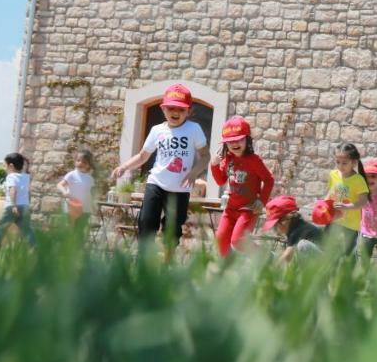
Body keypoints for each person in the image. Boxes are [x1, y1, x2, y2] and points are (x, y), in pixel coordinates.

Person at [110, 83, 208, 251]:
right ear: (163, 109)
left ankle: (166, 264)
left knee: (172, 231)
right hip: (156, 183)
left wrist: (194, 172)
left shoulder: (194, 129)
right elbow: (143, 156)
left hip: (180, 189)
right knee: (146, 222)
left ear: (188, 111)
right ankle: (144, 262)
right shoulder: (157, 130)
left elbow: (206, 156)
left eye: (181, 109)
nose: (175, 113)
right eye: (170, 108)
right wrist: (125, 167)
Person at [209, 116, 274, 257]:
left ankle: (267, 257)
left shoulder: (254, 160)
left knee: (238, 241)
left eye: (239, 139)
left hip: (249, 209)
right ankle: (227, 271)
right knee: (220, 242)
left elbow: (269, 180)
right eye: (230, 141)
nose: (234, 144)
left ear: (247, 140)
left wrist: (261, 201)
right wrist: (213, 165)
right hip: (231, 209)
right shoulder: (227, 160)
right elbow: (220, 181)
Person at [325, 142, 369, 257]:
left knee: (345, 258)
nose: (340, 166)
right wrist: (322, 205)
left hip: (350, 226)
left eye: (344, 163)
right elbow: (330, 193)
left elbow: (363, 201)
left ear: (354, 163)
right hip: (333, 221)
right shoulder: (333, 174)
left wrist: (347, 206)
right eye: (337, 162)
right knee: (328, 253)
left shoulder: (358, 180)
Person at [261, 194, 325, 263]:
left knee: (303, 245)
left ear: (286, 219)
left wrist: (273, 269)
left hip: (325, 264)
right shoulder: (295, 229)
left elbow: (287, 257)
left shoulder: (298, 230)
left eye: (275, 225)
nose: (276, 229)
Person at [0, 152, 36, 246]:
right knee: (27, 230)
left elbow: (13, 190)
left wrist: (14, 205)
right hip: (24, 206)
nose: (4, 168)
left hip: (11, 207)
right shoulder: (26, 177)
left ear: (11, 166)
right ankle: (34, 248)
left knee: (1, 229)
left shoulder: (11, 176)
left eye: (4, 166)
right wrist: (27, 204)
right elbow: (29, 192)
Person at [56, 150, 95, 226]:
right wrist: (64, 192)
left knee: (80, 232)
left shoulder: (90, 179)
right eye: (78, 160)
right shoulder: (72, 175)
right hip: (72, 208)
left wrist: (93, 204)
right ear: (75, 162)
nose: (80, 163)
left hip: (85, 209)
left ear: (88, 165)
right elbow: (59, 185)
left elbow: (90, 193)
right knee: (71, 232)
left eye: (84, 162)